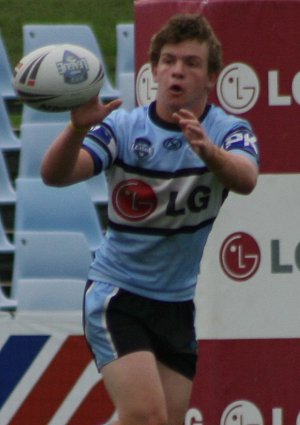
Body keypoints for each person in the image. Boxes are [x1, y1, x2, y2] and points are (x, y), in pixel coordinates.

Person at [41, 13, 259, 425]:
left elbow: (246, 179)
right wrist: (75, 130)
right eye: (169, 61)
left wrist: (208, 152)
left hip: (175, 304)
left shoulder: (228, 131)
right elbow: (55, 175)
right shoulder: (123, 128)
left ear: (211, 76)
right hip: (118, 294)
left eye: (192, 63)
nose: (178, 71)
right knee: (145, 415)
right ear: (154, 69)